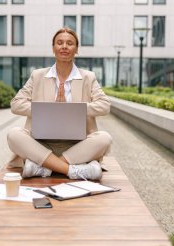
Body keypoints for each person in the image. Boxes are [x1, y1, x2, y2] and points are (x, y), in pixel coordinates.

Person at [6, 27, 112, 181]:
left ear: (76, 49)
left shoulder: (88, 77)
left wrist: (72, 109)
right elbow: (16, 104)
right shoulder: (38, 76)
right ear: (53, 48)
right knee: (13, 134)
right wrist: (48, 110)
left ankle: (44, 168)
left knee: (104, 138)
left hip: (77, 145)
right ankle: (72, 170)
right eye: (59, 43)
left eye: (70, 43)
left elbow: (104, 105)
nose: (64, 47)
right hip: (41, 144)